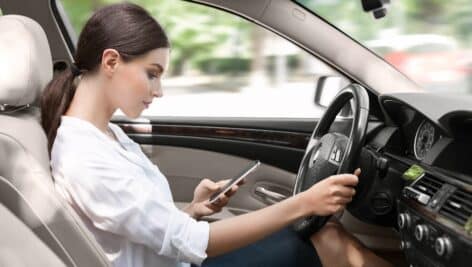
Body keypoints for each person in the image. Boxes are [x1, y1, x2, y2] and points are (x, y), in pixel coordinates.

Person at [41, 3, 393, 267]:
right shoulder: (83, 156)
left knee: (323, 235)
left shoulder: (106, 135)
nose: (158, 90)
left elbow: (138, 228)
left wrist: (193, 210)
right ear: (112, 62)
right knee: (330, 242)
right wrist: (304, 203)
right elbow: (193, 243)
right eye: (152, 73)